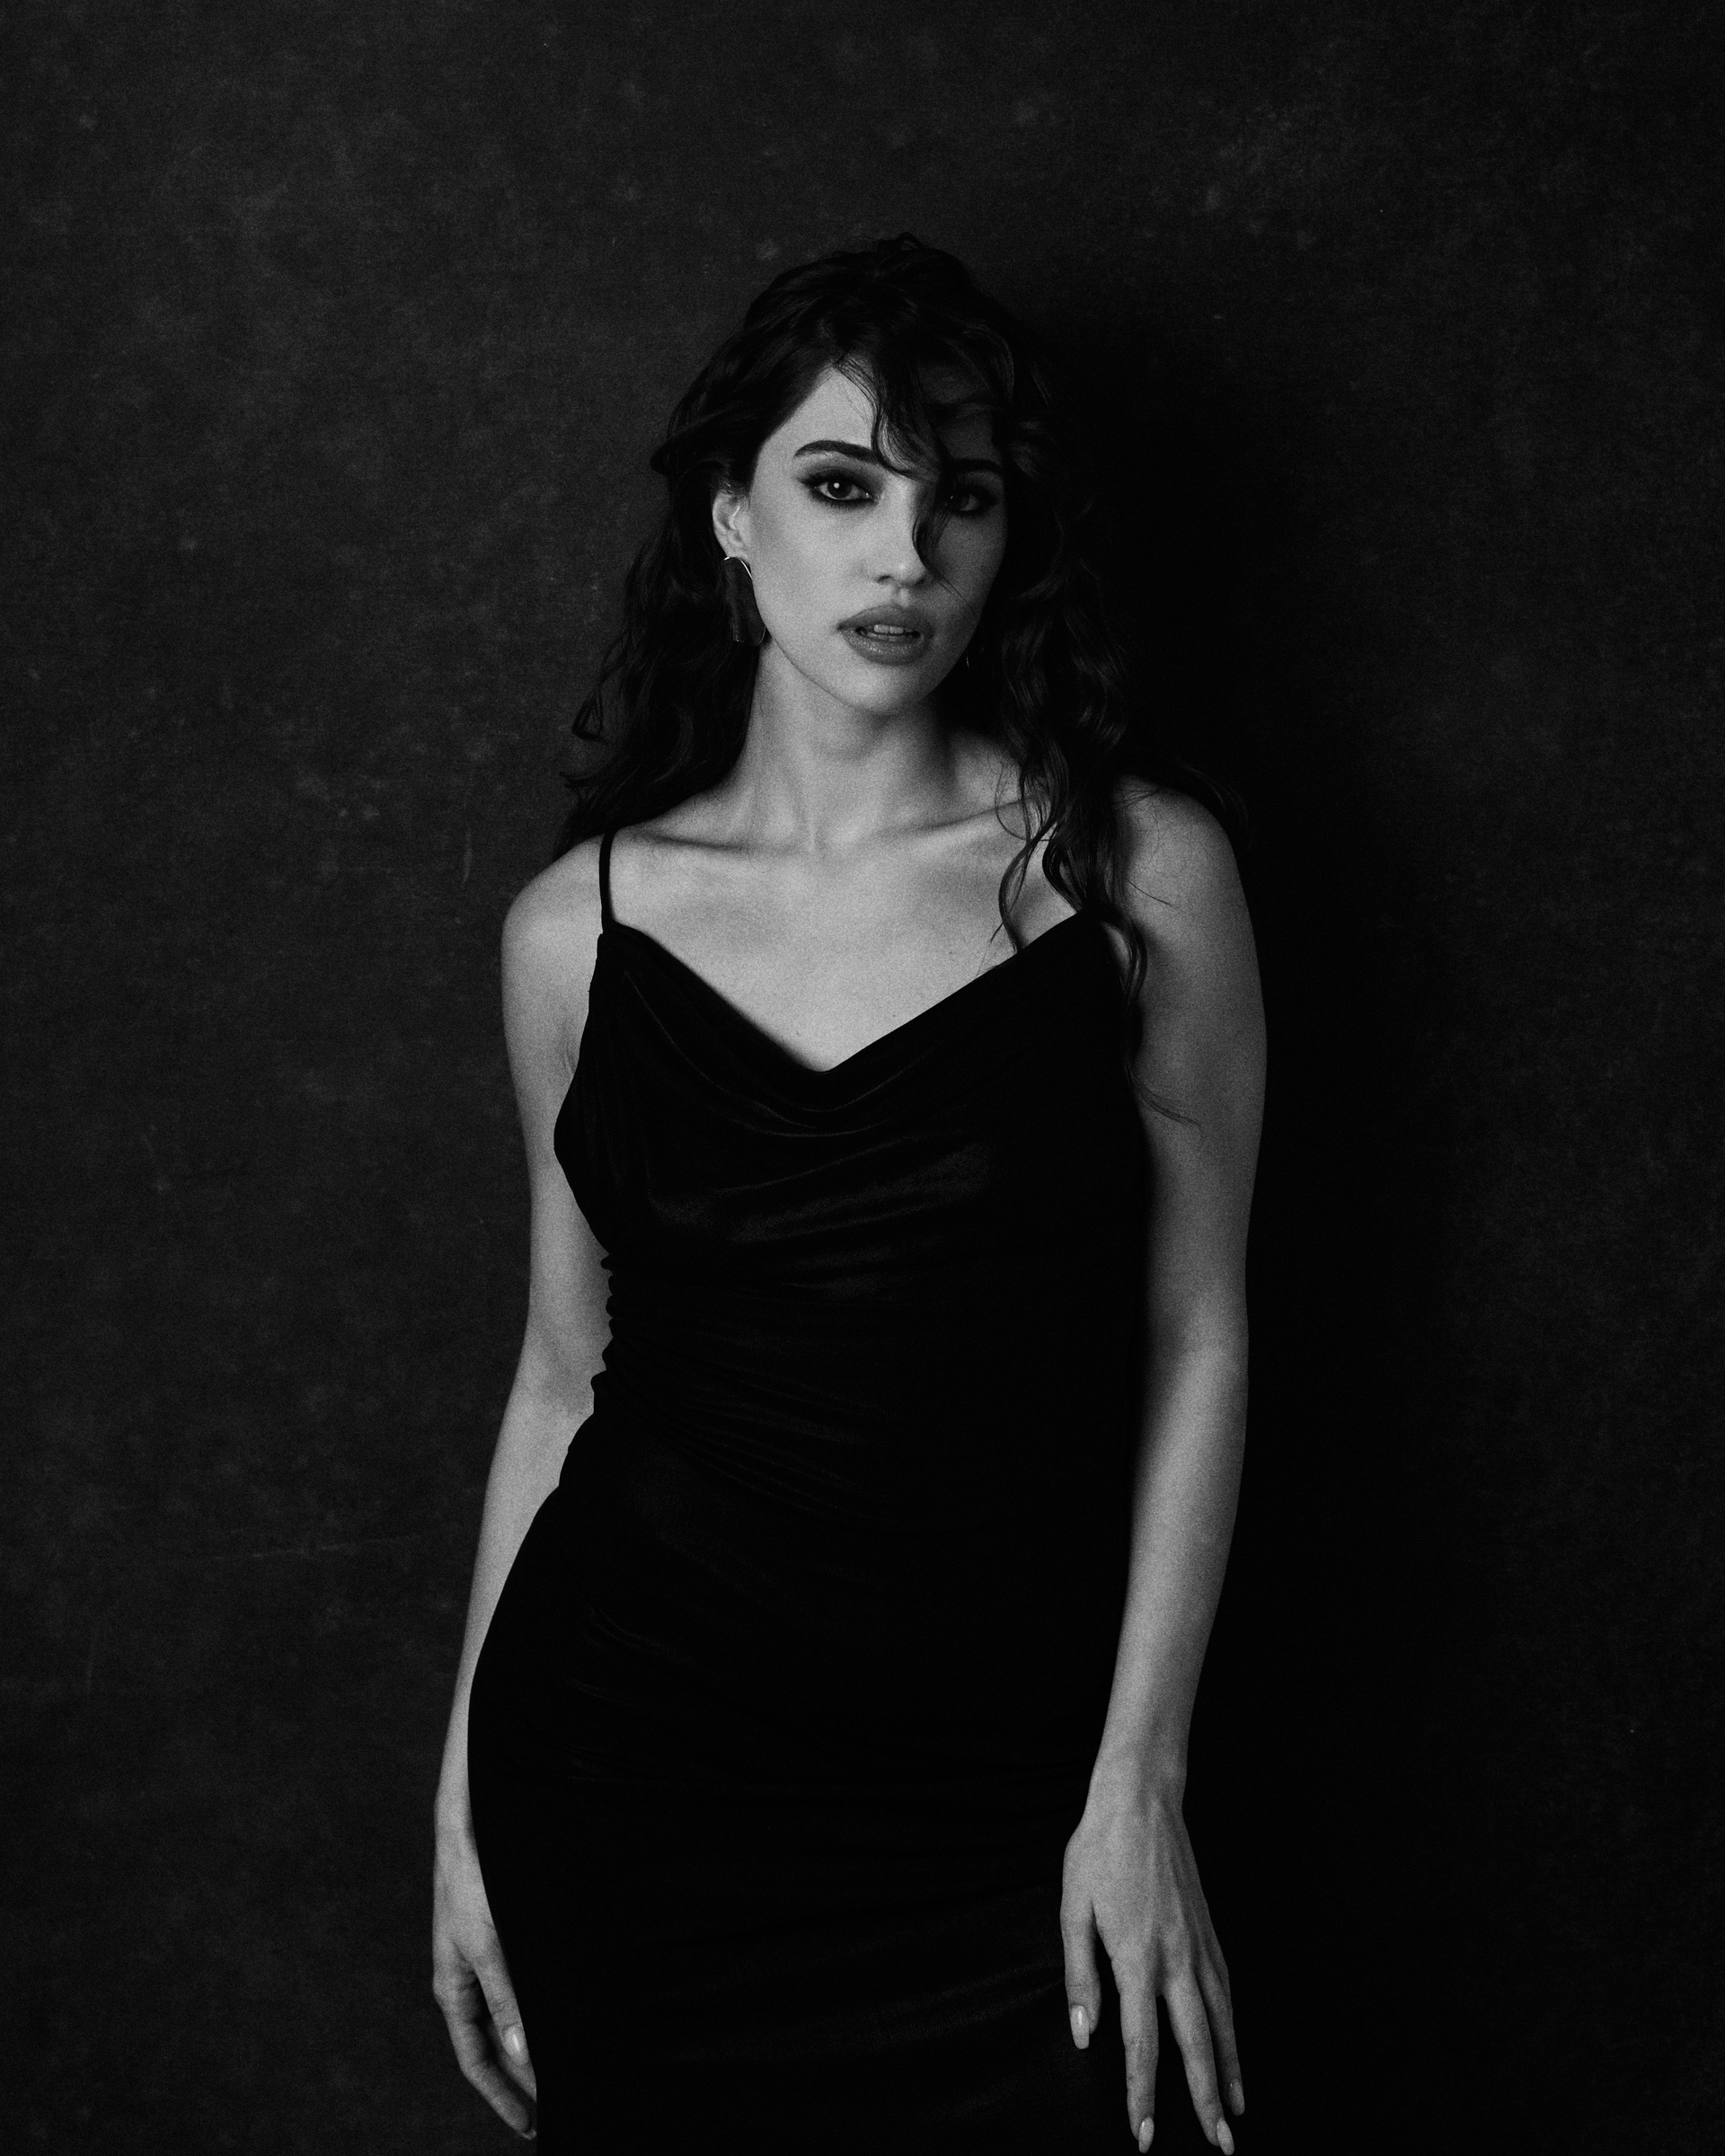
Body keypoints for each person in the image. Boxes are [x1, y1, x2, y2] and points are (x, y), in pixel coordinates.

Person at [431, 234, 1264, 2154]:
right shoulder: (579, 931)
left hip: (1004, 1796)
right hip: (632, 1780)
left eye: (959, 497)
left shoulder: (1132, 874)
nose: (905, 555)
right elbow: (561, 1374)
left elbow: (1201, 1332)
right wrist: (466, 1800)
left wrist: (1137, 1784)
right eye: (840, 485)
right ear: (731, 516)